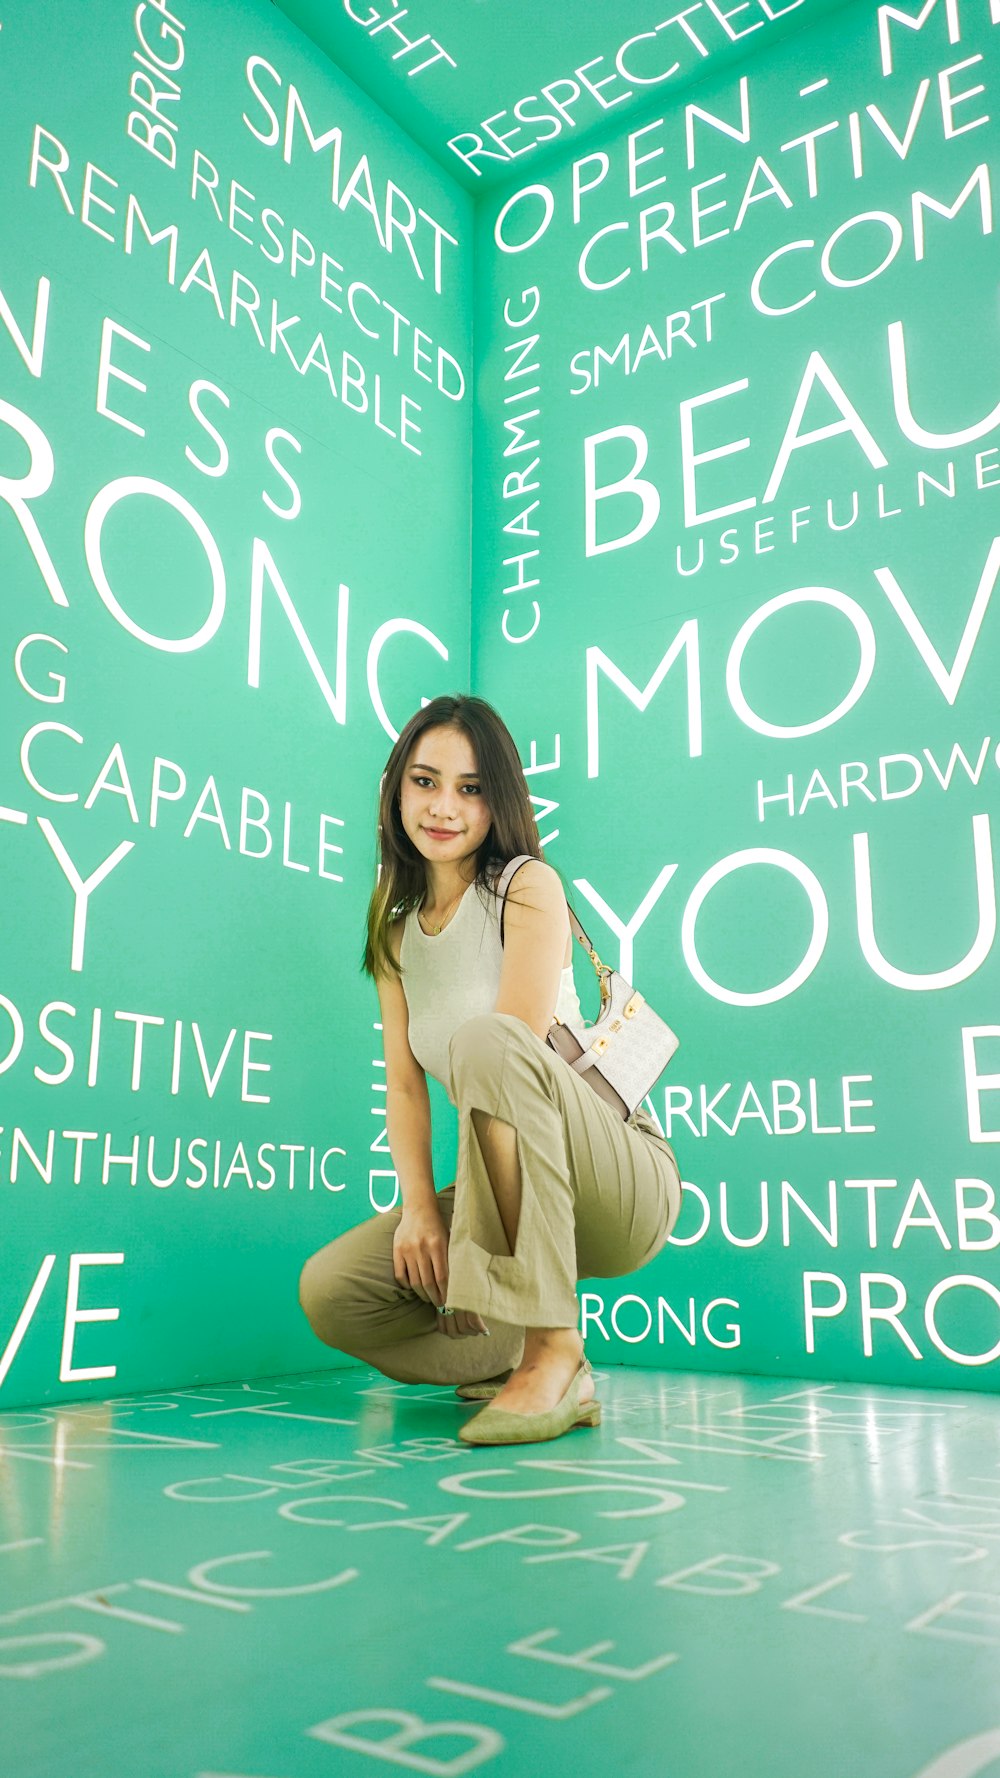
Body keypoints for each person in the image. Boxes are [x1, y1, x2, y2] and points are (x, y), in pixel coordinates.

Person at [298, 694, 682, 1446]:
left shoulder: (527, 886)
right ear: (396, 790)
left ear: (497, 799)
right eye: (425, 781)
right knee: (333, 1293)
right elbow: (407, 1087)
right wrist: (419, 1211)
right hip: (508, 1181)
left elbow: (513, 1052)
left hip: (617, 1174)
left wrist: (473, 1241)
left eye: (471, 789)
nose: (444, 806)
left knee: (489, 1041)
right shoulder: (397, 930)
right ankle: (509, 1343)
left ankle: (555, 1354)